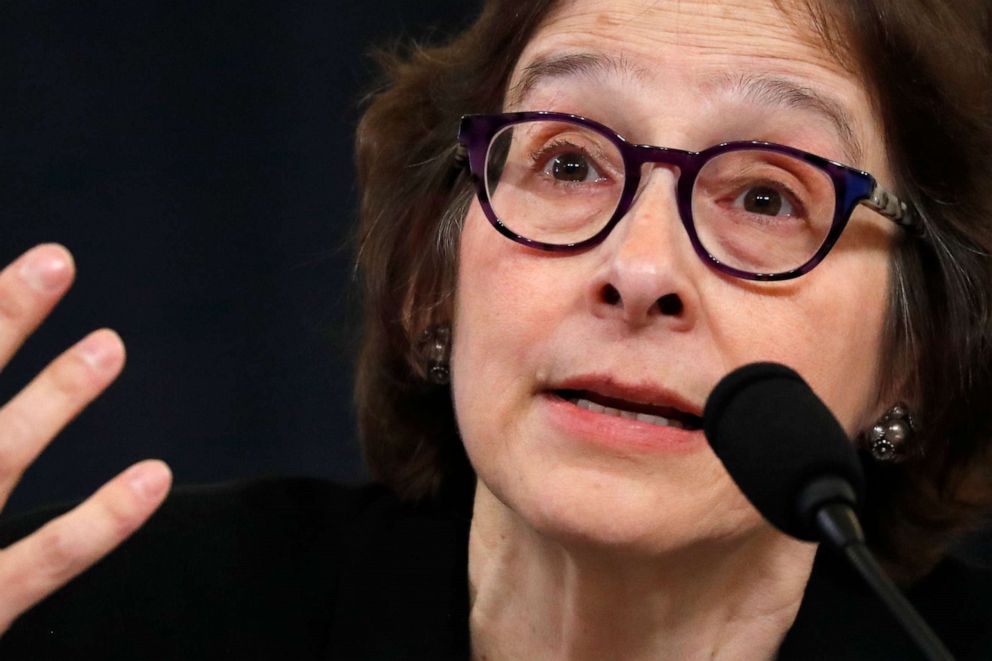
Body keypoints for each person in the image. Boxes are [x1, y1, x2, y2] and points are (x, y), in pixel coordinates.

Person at [1, 0, 991, 658]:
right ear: (437, 279)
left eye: (768, 196)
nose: (639, 270)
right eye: (566, 163)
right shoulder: (120, 618)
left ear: (913, 353)